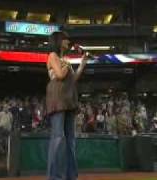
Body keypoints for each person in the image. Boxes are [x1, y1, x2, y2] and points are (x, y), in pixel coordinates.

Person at [46, 30, 88, 180]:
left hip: (69, 98)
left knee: (70, 140)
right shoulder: (52, 56)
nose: (68, 42)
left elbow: (72, 79)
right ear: (58, 41)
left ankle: (71, 175)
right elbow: (59, 75)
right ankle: (54, 176)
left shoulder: (65, 58)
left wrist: (82, 65)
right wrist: (67, 64)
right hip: (57, 99)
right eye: (65, 39)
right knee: (58, 138)